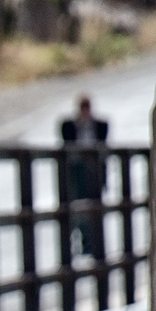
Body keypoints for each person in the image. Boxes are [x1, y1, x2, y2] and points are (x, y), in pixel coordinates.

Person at [59, 94, 109, 261]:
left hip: (93, 171)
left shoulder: (100, 125)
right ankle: (82, 243)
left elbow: (103, 147)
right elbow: (66, 144)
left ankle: (92, 244)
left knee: (94, 208)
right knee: (78, 209)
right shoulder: (69, 125)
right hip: (76, 171)